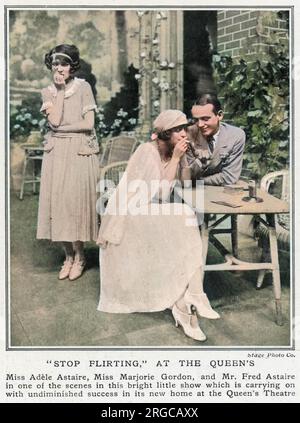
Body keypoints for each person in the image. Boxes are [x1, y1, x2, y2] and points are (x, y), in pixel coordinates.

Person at [97, 110, 220, 343]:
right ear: (165, 132)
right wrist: (175, 158)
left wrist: (184, 158)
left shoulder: (170, 152)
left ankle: (189, 300)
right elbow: (161, 194)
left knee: (185, 218)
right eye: (178, 130)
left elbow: (183, 184)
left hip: (146, 207)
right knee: (184, 215)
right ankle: (193, 299)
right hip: (129, 210)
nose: (184, 133)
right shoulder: (147, 151)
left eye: (185, 128)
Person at [36, 44, 99, 281]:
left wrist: (61, 128)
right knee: (58, 203)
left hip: (78, 151)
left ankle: (80, 256)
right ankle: (68, 256)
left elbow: (88, 124)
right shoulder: (48, 91)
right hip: (56, 153)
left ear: (72, 66)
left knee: (74, 203)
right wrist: (60, 90)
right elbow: (53, 122)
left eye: (63, 63)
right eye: (55, 64)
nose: (58, 68)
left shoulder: (84, 88)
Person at [186, 93, 246, 185]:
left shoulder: (235, 136)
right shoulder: (188, 134)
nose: (200, 124)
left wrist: (199, 181)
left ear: (220, 115)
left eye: (205, 119)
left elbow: (229, 177)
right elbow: (187, 176)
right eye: (197, 120)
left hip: (222, 191)